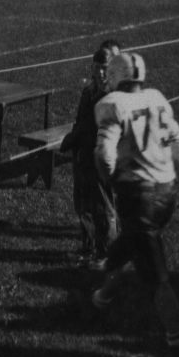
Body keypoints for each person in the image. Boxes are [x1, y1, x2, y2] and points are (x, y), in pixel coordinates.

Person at [85, 52, 179, 349]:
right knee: (133, 245)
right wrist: (160, 164)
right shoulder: (156, 98)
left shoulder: (111, 104)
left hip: (139, 198)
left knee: (156, 274)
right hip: (167, 194)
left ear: (115, 76)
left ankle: (178, 338)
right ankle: (102, 296)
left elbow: (104, 155)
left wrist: (112, 178)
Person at [59, 39, 122, 266]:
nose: (101, 72)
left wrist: (75, 137)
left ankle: (106, 253)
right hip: (82, 156)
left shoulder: (112, 96)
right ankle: (88, 247)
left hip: (99, 156)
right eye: (97, 67)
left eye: (105, 68)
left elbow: (94, 127)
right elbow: (80, 122)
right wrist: (72, 141)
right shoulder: (87, 92)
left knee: (103, 208)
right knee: (83, 205)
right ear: (92, 68)